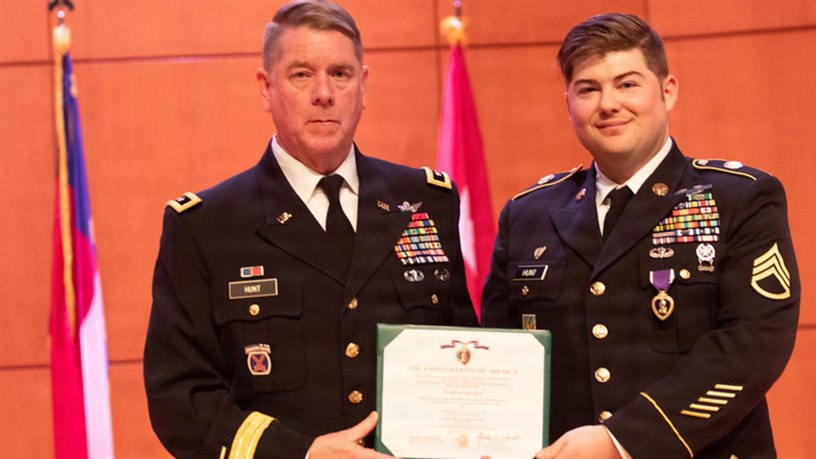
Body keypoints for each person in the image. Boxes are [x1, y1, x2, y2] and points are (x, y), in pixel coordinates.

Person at [143, 1, 477, 457]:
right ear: (266, 88)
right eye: (301, 74)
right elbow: (181, 397)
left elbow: (466, 357)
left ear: (363, 85)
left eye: (340, 74)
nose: (324, 92)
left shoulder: (426, 201)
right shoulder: (206, 226)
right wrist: (298, 453)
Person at [481, 13, 799, 459]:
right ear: (568, 102)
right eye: (588, 89)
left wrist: (621, 441)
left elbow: (753, 346)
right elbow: (499, 355)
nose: (608, 103)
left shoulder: (740, 198)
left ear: (667, 91)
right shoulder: (527, 214)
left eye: (627, 84)